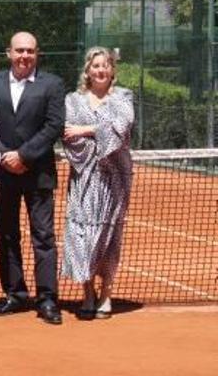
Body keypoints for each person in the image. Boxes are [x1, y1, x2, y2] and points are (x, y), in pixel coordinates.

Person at [0, 31, 65, 325]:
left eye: (30, 51)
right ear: (9, 53)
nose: (24, 56)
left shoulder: (52, 84)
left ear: (37, 53)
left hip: (38, 174)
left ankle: (47, 299)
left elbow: (54, 125)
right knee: (6, 237)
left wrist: (24, 155)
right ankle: (15, 294)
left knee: (43, 237)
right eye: (19, 51)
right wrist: (7, 156)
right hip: (3, 174)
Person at [62, 47, 134, 320]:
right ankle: (87, 293)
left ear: (112, 70)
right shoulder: (73, 100)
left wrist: (87, 129)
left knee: (109, 236)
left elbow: (122, 126)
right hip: (84, 177)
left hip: (115, 180)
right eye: (96, 66)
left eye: (105, 66)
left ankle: (106, 295)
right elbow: (69, 134)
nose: (101, 70)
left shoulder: (123, 97)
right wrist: (93, 133)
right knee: (81, 235)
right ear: (88, 71)